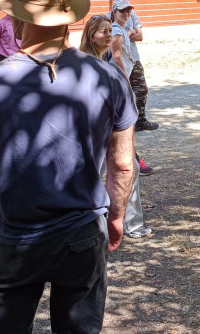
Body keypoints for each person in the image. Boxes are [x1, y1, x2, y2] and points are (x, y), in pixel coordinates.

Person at [0, 0, 137, 334]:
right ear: (67, 15)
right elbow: (123, 165)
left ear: (16, 18)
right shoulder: (108, 78)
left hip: (12, 237)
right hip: (83, 233)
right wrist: (115, 216)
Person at [80, 15, 153, 238]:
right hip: (96, 133)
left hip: (113, 130)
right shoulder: (86, 64)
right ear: (91, 35)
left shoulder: (108, 60)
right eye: (103, 31)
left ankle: (130, 223)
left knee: (131, 169)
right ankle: (98, 224)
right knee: (96, 175)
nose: (109, 35)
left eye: (110, 31)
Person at [111, 0, 158, 130]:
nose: (126, 0)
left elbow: (140, 36)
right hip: (120, 60)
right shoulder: (109, 18)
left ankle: (140, 120)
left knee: (141, 89)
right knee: (120, 91)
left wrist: (127, 34)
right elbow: (112, 43)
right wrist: (128, 33)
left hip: (133, 58)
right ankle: (121, 123)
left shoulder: (132, 14)